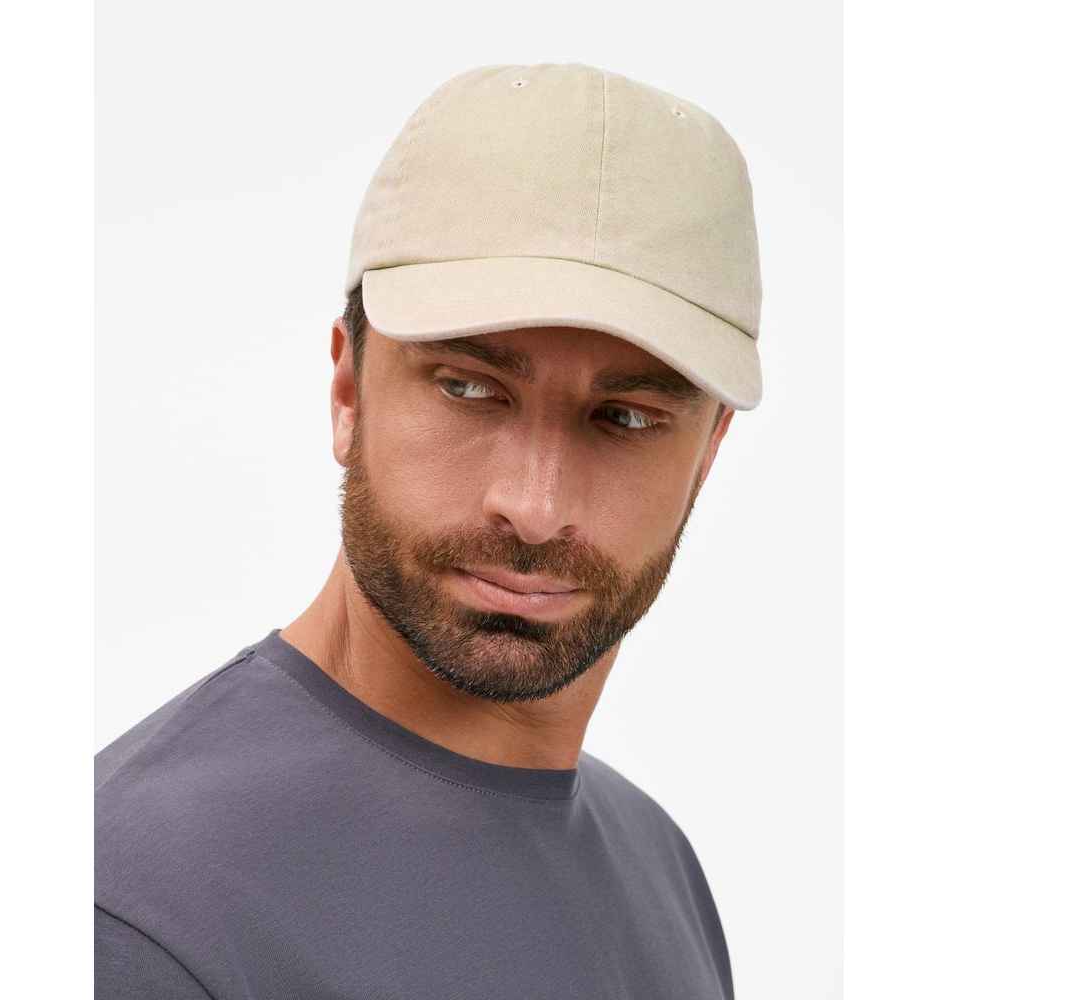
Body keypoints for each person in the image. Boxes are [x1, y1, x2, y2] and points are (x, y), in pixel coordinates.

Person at [96, 61, 763, 999]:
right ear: (347, 390)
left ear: (707, 453)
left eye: (625, 417)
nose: (534, 506)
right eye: (468, 388)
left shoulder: (658, 868)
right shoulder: (136, 917)